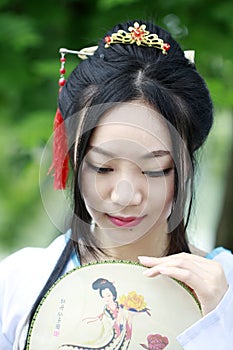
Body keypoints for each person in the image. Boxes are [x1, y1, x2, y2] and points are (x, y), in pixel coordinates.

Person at [0, 19, 232, 350]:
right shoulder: (19, 282)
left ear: (184, 166)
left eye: (154, 170)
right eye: (104, 167)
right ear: (75, 159)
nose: (125, 196)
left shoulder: (226, 288)